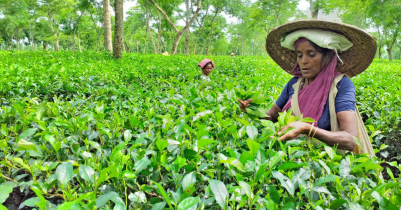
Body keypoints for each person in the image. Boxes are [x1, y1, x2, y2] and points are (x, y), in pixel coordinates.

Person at [238, 20, 377, 154]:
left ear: (328, 57)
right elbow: (272, 116)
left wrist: (308, 129)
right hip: (294, 160)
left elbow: (350, 140)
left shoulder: (341, 85)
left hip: (329, 166)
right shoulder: (294, 84)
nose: (303, 61)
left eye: (311, 55)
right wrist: (253, 109)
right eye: (299, 55)